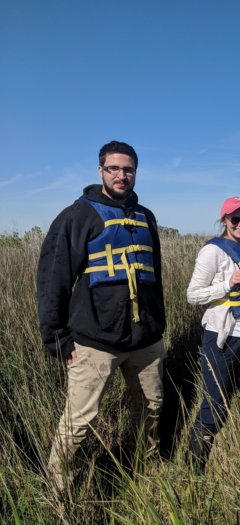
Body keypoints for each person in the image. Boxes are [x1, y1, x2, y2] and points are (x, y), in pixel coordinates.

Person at [37, 141, 166, 492]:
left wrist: (159, 328)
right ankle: (58, 487)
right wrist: (57, 338)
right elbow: (53, 279)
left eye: (128, 169)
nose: (121, 175)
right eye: (114, 169)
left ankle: (145, 467)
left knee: (150, 410)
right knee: (79, 420)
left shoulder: (145, 217)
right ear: (100, 171)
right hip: (94, 342)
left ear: (136, 172)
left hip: (146, 341)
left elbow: (154, 276)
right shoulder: (78, 216)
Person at [186, 196, 240, 470]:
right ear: (224, 220)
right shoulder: (212, 251)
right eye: (236, 218)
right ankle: (193, 469)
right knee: (215, 404)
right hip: (222, 338)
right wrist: (226, 285)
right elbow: (193, 296)